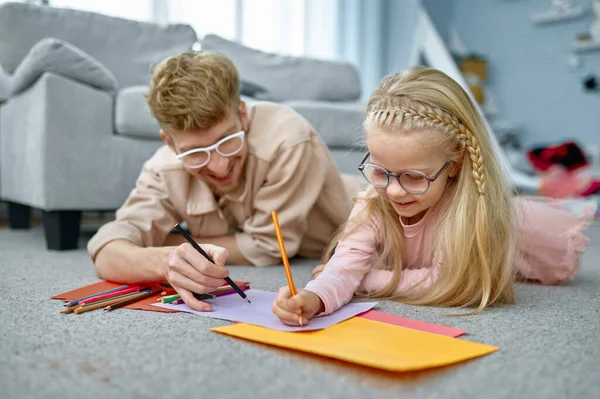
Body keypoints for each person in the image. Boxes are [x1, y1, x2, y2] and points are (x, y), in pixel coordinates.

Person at [272, 66, 597, 325]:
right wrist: (314, 297)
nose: (394, 191)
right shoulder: (374, 200)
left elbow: (450, 283)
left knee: (543, 264)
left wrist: (367, 278)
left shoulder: (471, 208)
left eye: (414, 177)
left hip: (525, 239)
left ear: (455, 164)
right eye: (380, 171)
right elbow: (343, 266)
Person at [87, 51, 359, 311]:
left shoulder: (289, 140)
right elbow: (107, 249)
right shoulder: (164, 168)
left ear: (242, 114)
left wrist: (168, 241)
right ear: (169, 143)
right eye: (195, 153)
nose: (219, 166)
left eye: (227, 141)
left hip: (371, 219)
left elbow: (268, 249)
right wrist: (163, 260)